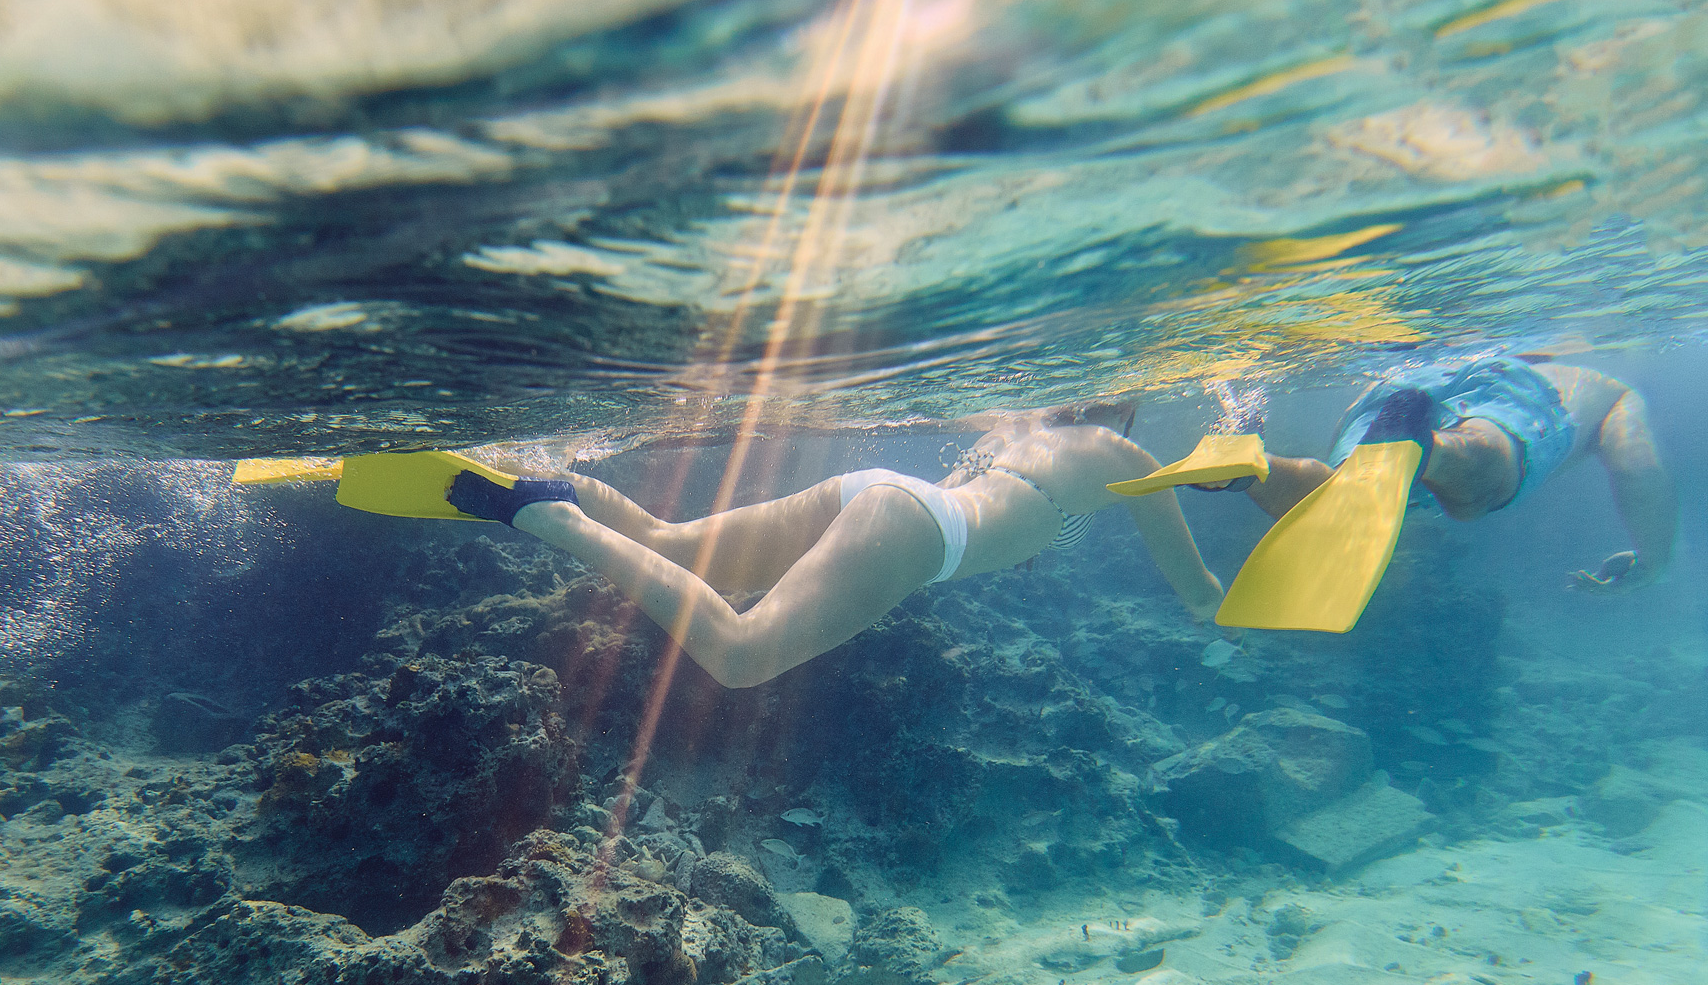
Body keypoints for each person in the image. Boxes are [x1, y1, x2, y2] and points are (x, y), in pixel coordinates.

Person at [444, 404, 1227, 688]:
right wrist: (1213, 606)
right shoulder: (1120, 456)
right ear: (1124, 407)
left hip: (880, 492)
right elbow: (1190, 581)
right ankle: (553, 523)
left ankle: (543, 481)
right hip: (924, 534)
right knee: (742, 656)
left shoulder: (1017, 424)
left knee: (670, 543)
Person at [1211, 357, 1677, 592]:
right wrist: (1653, 561)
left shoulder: (1453, 344)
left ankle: (1251, 466)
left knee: (1338, 494)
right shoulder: (1606, 387)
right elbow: (1639, 466)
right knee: (1480, 489)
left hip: (1399, 379)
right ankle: (1433, 449)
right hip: (1505, 385)